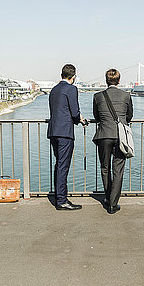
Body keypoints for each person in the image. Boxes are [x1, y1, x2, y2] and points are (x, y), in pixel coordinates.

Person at [92, 68, 133, 214]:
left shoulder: (97, 96)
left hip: (103, 135)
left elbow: (97, 117)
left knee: (105, 167)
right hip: (121, 136)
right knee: (118, 170)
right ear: (119, 81)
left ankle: (108, 198)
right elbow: (129, 116)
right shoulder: (126, 95)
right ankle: (113, 204)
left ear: (106, 80)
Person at [47, 64, 88, 210]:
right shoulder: (71, 89)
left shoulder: (54, 89)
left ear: (62, 75)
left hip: (53, 131)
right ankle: (62, 201)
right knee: (63, 166)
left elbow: (59, 109)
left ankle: (59, 197)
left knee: (59, 165)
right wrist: (81, 120)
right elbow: (75, 112)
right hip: (65, 133)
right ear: (74, 76)